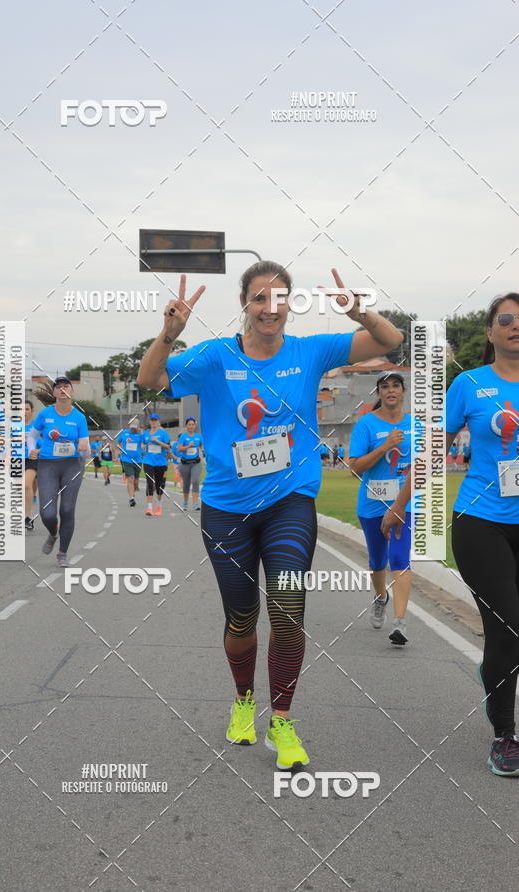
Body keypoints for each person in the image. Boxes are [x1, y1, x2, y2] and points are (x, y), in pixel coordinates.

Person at [138, 265, 402, 770]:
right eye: (259, 298)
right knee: (242, 619)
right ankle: (243, 700)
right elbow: (150, 379)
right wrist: (168, 334)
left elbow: (390, 340)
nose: (269, 307)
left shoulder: (311, 351)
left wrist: (357, 310)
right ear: (244, 303)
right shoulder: (216, 356)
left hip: (290, 501)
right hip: (227, 509)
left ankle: (282, 719)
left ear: (290, 304)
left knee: (286, 609)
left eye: (279, 298)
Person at [383, 293, 519, 776]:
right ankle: (505, 733)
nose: (514, 326)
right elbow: (431, 449)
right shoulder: (469, 384)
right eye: (505, 319)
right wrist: (400, 505)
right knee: (508, 623)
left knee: (511, 636)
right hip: (481, 522)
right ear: (489, 332)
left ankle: (495, 672)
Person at [348, 372, 419, 644]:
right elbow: (354, 467)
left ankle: (399, 623)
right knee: (378, 561)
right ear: (378, 393)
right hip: (372, 504)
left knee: (400, 558)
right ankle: (381, 598)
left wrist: (404, 500)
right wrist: (386, 445)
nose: (390, 391)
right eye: (385, 387)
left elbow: (421, 467)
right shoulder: (365, 425)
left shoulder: (416, 426)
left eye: (395, 386)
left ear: (403, 391)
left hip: (405, 503)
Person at [27, 376, 89, 568]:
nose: (62, 389)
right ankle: (54, 533)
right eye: (59, 387)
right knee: (47, 512)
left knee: (67, 509)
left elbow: (85, 447)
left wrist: (84, 447)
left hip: (72, 466)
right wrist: (32, 449)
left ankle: (62, 553)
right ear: (54, 393)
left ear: (72, 391)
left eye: (66, 386)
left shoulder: (79, 417)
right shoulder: (45, 415)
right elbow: (32, 436)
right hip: (48, 465)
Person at [142, 413, 171, 516]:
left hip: (161, 463)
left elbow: (168, 447)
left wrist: (157, 441)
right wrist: (143, 446)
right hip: (148, 461)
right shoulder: (145, 433)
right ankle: (149, 508)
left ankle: (158, 505)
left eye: (155, 420)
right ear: (150, 422)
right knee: (149, 483)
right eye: (152, 420)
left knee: (159, 485)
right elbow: (142, 444)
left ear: (158, 422)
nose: (153, 422)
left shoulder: (163, 433)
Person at [177, 418, 204, 511]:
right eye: (189, 424)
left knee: (196, 481)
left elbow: (201, 445)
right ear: (186, 426)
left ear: (195, 426)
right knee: (186, 484)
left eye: (192, 424)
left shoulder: (199, 436)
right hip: (185, 463)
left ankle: (196, 503)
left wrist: (202, 449)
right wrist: (188, 446)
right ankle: (185, 502)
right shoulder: (183, 437)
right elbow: (179, 449)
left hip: (196, 463)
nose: (191, 426)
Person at [117, 419, 145, 506]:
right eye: (131, 427)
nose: (133, 429)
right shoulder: (124, 433)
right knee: (130, 478)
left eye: (135, 428)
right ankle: (131, 499)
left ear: (138, 427)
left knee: (136, 482)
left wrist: (142, 433)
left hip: (138, 460)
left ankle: (134, 490)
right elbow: (117, 442)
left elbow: (146, 443)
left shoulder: (140, 435)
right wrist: (120, 449)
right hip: (126, 459)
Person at [24, 400, 39, 531]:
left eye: (27, 409)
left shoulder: (36, 427)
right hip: (14, 460)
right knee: (18, 490)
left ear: (31, 411)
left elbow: (45, 443)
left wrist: (36, 451)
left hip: (31, 459)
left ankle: (27, 517)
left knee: (27, 485)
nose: (24, 412)